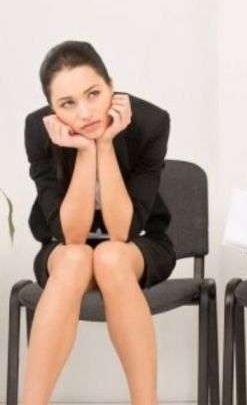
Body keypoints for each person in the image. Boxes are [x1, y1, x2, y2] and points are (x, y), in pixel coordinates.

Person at [23, 40, 175, 404]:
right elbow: (71, 236)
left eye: (94, 94)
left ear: (112, 86)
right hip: (64, 246)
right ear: (52, 109)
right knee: (76, 258)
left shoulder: (150, 122)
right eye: (67, 104)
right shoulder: (39, 130)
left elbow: (122, 231)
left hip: (138, 242)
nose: (86, 112)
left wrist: (105, 145)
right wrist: (84, 152)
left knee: (110, 255)